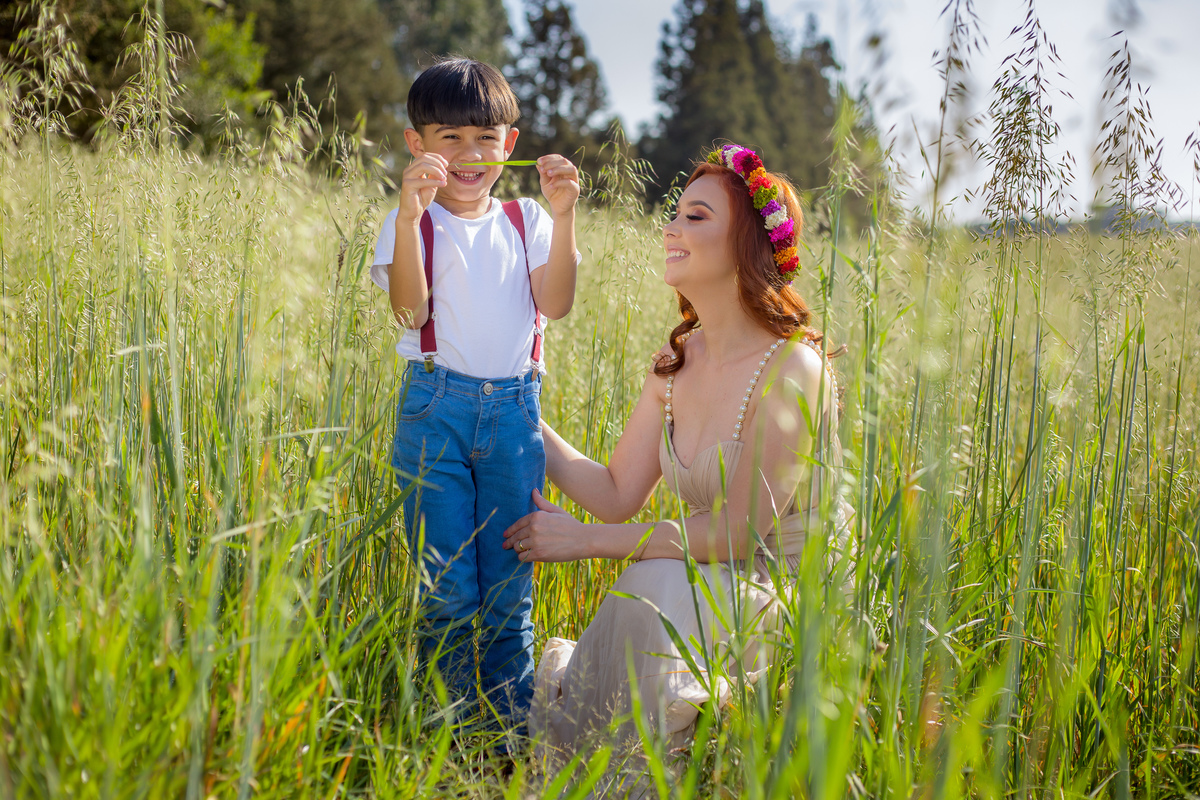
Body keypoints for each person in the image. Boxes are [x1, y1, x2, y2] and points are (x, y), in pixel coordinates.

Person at [501, 144, 853, 768]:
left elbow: (735, 534)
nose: (671, 227)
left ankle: (639, 775)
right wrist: (512, 407)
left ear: (746, 245)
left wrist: (581, 540)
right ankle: (598, 774)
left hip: (786, 587)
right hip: (705, 579)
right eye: (675, 214)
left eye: (696, 216)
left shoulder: (793, 368)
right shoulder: (675, 366)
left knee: (657, 583)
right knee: (660, 583)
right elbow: (613, 493)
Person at [369, 57, 581, 732]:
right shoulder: (411, 224)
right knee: (447, 590)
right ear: (416, 145)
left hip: (516, 417)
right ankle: (449, 738)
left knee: (508, 591)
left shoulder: (527, 221)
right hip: (435, 411)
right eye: (447, 138)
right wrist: (407, 218)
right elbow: (409, 315)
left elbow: (558, 302)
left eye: (485, 139)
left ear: (509, 145)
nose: (468, 155)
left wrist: (566, 213)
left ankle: (509, 742)